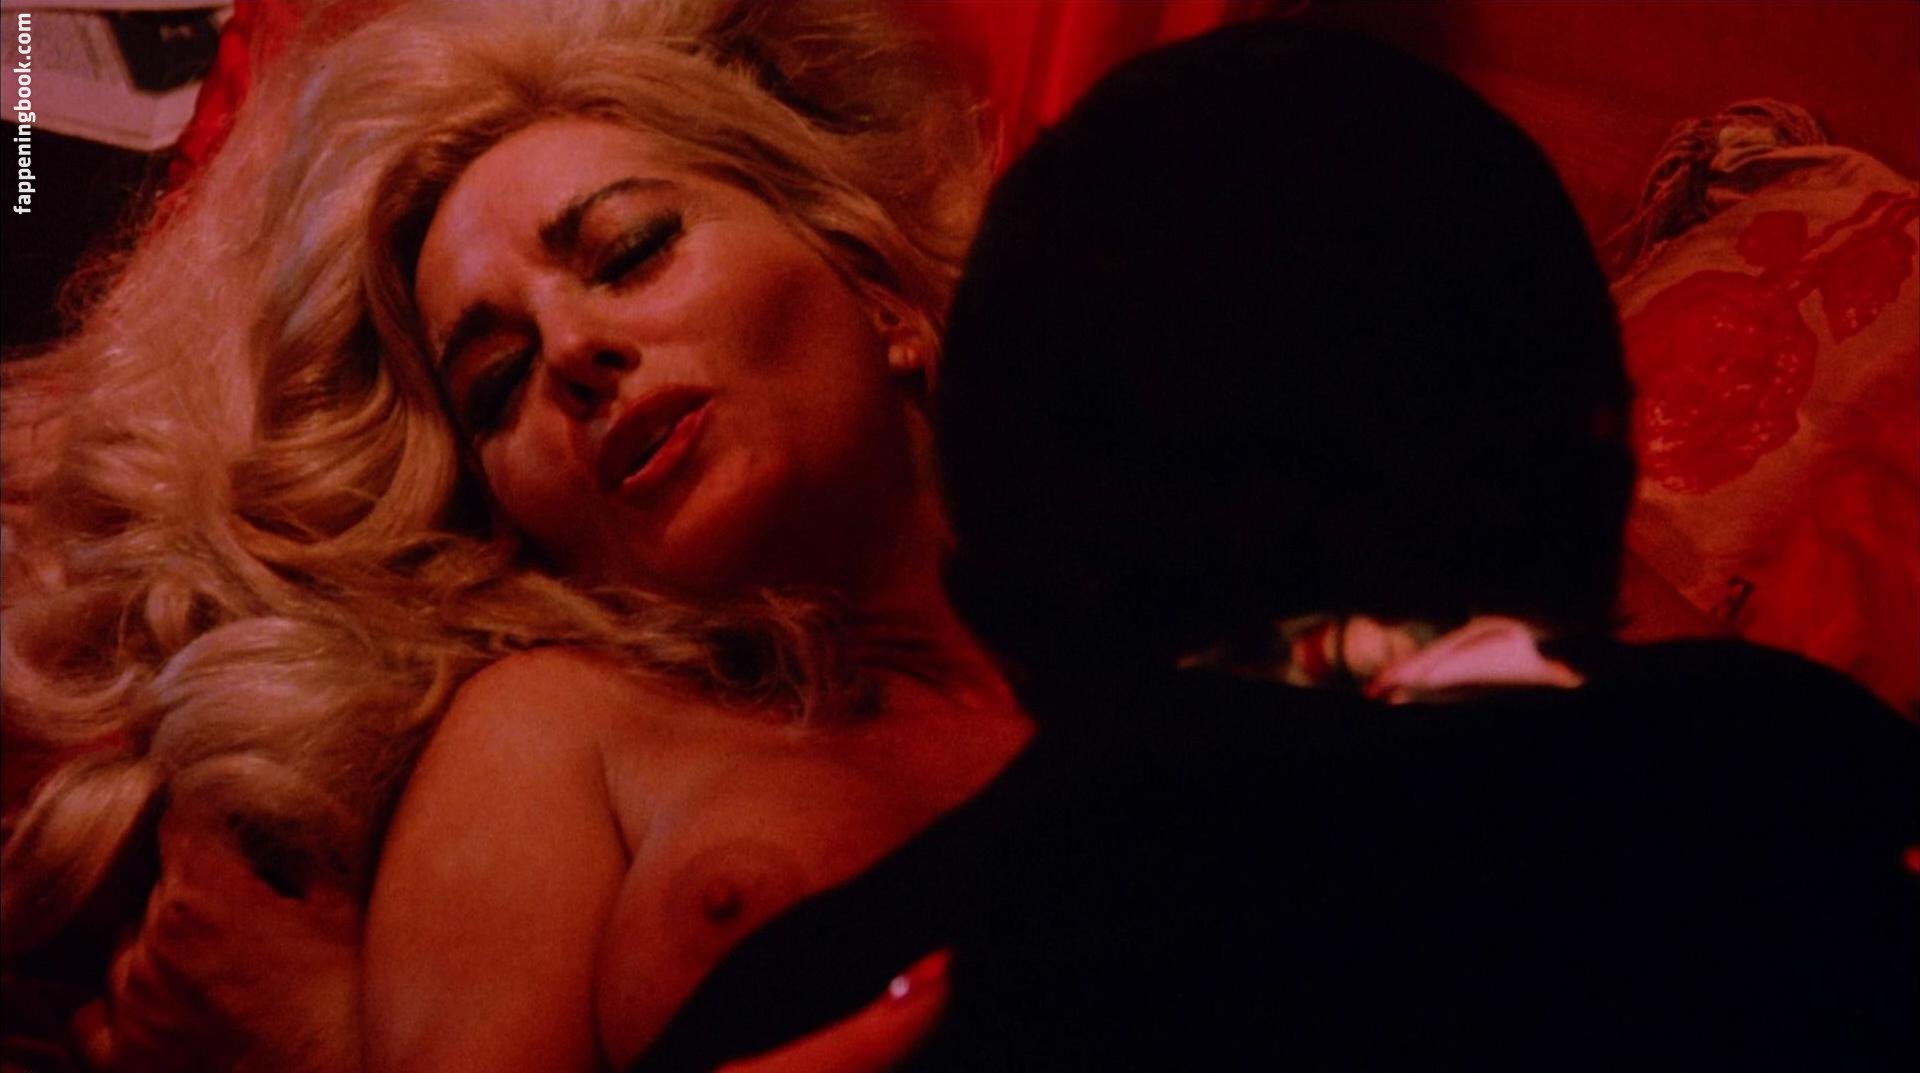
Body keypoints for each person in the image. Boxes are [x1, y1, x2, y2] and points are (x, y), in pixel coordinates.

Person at [2, 1, 1018, 1069]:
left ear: (875, 284)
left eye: (631, 251)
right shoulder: (552, 729)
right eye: (497, 383)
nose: (572, 348)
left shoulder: (1132, 585)